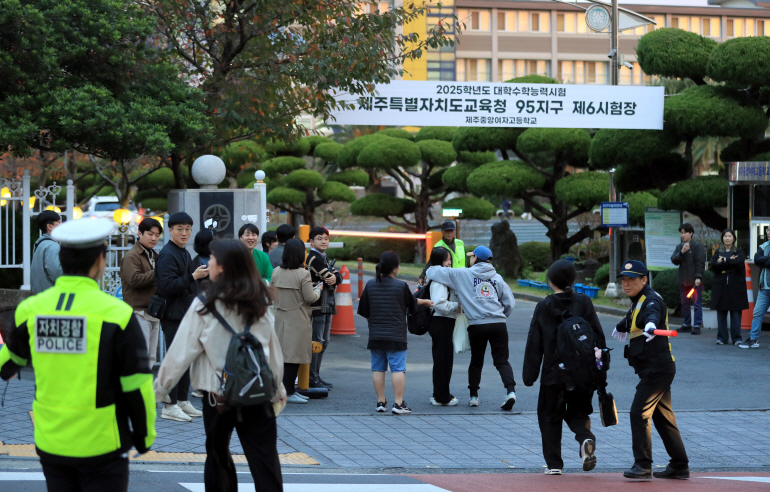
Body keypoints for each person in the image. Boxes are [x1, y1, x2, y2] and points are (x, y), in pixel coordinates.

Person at [0, 218, 156, 491]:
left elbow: (8, 362)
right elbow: (136, 383)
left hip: (51, 440)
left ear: (62, 258)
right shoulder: (117, 314)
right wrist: (144, 435)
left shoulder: (32, 310)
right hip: (102, 442)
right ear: (100, 261)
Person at [154, 239, 286, 492]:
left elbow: (181, 351)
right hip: (257, 393)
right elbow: (272, 350)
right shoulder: (260, 300)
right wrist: (278, 388)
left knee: (218, 458)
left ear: (223, 267)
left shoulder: (205, 304)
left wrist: (161, 388)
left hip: (218, 396)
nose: (208, 263)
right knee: (265, 460)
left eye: (212, 259)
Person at [523, 260, 606, 476]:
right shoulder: (584, 302)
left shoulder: (544, 306)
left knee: (550, 415)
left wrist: (529, 374)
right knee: (578, 412)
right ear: (573, 279)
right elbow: (597, 335)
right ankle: (585, 438)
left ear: (551, 281)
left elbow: (535, 342)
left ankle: (554, 464)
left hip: (553, 373)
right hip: (582, 373)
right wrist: (601, 367)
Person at [613, 260, 689, 480]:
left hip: (657, 369)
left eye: (632, 280)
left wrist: (651, 325)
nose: (626, 284)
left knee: (639, 412)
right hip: (652, 369)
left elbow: (652, 314)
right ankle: (679, 465)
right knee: (663, 417)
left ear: (644, 280)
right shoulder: (638, 300)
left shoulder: (652, 299)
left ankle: (643, 465)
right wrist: (621, 326)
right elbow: (632, 317)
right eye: (624, 280)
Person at [426, 246, 517, 410]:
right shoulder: (498, 278)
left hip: (477, 325)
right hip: (498, 324)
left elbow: (433, 272)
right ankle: (510, 392)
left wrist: (433, 264)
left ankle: (474, 396)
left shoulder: (463, 274)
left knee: (476, 361)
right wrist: (500, 314)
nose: (470, 259)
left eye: (472, 256)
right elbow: (509, 303)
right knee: (502, 361)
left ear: (476, 259)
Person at [357, 251, 433, 414]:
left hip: (376, 335)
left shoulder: (370, 284)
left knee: (378, 369)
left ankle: (380, 402)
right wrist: (425, 301)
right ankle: (398, 404)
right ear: (395, 269)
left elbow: (364, 311)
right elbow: (412, 305)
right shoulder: (400, 286)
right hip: (396, 336)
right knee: (397, 369)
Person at [155, 212, 209, 422]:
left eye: (187, 229)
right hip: (172, 315)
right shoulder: (168, 254)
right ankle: (169, 405)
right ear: (170, 230)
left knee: (186, 359)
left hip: (184, 314)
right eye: (180, 229)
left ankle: (182, 401)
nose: (184, 233)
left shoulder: (182, 252)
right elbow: (166, 286)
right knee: (175, 360)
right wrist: (193, 276)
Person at [272, 238, 322, 404]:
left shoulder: (277, 271)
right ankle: (289, 393)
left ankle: (287, 391)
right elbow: (310, 298)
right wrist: (319, 290)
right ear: (301, 254)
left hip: (280, 317)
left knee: (283, 357)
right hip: (298, 318)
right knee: (295, 357)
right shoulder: (303, 274)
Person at [120, 217, 163, 368]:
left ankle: (146, 389)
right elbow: (134, 280)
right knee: (140, 355)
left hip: (153, 312)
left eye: (157, 235)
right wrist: (158, 272)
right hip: (138, 312)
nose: (154, 238)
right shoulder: (132, 256)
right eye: (150, 234)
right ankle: (138, 390)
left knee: (150, 356)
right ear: (140, 233)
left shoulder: (153, 255)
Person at [306, 226, 342, 389]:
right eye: (319, 238)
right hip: (317, 305)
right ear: (311, 242)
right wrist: (335, 277)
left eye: (326, 238)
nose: (324, 241)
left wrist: (336, 277)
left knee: (324, 341)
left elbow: (338, 276)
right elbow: (329, 277)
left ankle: (316, 376)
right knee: (317, 342)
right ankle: (311, 377)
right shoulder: (314, 258)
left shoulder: (323, 257)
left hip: (326, 304)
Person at [427, 247, 460, 406]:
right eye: (447, 260)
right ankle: (441, 396)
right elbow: (439, 304)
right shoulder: (439, 280)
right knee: (442, 361)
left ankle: (441, 393)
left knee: (444, 360)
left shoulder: (442, 277)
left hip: (444, 322)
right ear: (439, 261)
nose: (450, 263)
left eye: (450, 260)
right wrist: (456, 306)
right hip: (441, 321)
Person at [710, 229, 748, 346]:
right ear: (722, 238)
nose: (727, 238)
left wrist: (723, 261)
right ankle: (721, 337)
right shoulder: (717, 251)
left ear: (733, 238)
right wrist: (729, 261)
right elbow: (713, 265)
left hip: (736, 285)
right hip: (721, 285)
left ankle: (737, 338)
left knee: (735, 312)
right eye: (725, 236)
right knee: (721, 311)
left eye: (729, 236)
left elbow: (738, 263)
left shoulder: (738, 251)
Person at [670, 223, 705, 334]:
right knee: (684, 303)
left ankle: (697, 325)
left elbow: (700, 263)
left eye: (685, 233)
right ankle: (686, 324)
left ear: (691, 233)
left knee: (697, 304)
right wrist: (682, 252)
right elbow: (674, 260)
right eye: (682, 233)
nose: (683, 235)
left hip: (694, 281)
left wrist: (698, 277)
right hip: (683, 281)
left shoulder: (697, 246)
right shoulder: (680, 247)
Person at [741, 230, 770, 349]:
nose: (769, 232)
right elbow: (757, 259)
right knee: (757, 313)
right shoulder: (764, 246)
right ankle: (753, 339)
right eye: (768, 230)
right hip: (764, 287)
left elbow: (761, 260)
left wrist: (765, 261)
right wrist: (767, 260)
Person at [419, 220, 465, 285]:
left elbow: (463, 261)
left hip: (462, 277)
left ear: (454, 231)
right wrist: (423, 276)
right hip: (448, 279)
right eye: (447, 231)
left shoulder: (460, 243)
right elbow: (431, 262)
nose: (449, 233)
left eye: (451, 231)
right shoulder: (438, 246)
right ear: (442, 231)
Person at [31, 210, 63, 293]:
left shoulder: (40, 244)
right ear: (50, 226)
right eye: (58, 222)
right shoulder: (53, 246)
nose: (61, 225)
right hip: (53, 297)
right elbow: (57, 273)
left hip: (41, 297)